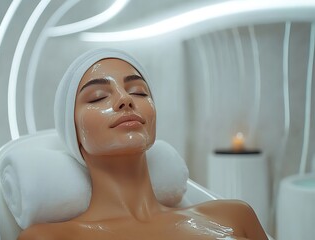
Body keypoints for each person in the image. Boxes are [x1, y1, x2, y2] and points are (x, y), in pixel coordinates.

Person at [18, 49, 268, 240]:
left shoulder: (235, 217)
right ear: (74, 132)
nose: (125, 99)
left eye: (138, 92)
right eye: (99, 97)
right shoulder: (48, 238)